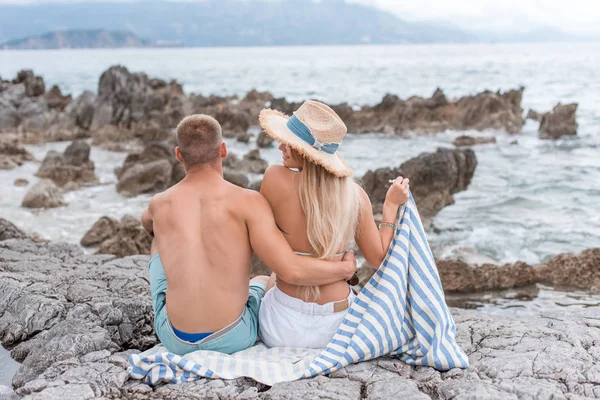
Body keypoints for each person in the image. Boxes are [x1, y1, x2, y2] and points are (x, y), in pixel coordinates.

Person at [140, 114, 357, 356]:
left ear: (179, 155)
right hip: (233, 336)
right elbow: (291, 270)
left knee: (159, 238)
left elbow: (147, 224)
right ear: (223, 150)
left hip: (175, 339)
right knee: (263, 281)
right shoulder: (249, 202)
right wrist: (344, 270)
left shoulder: (158, 205)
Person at [257, 100, 410, 349]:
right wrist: (390, 206)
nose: (280, 146)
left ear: (305, 152)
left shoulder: (274, 178)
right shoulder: (355, 196)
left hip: (282, 327)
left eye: (288, 143)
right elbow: (378, 260)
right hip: (337, 329)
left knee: (266, 279)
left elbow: (278, 259)